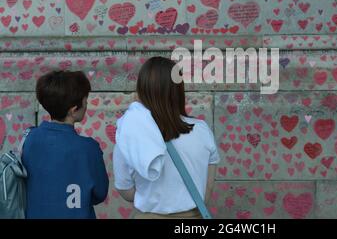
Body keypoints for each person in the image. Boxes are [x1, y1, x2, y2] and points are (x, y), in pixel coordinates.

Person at [113, 56, 220, 219]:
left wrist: (152, 199)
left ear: (142, 90)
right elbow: (207, 189)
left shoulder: (130, 133)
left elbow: (125, 189)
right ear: (178, 91)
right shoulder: (202, 130)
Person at [22, 70, 109, 219]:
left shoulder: (29, 138)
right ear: (73, 110)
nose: (86, 105)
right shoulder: (89, 148)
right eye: (85, 101)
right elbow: (99, 193)